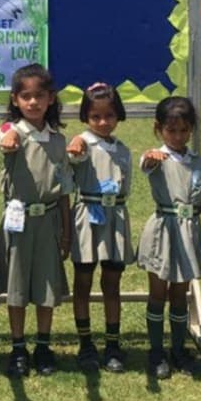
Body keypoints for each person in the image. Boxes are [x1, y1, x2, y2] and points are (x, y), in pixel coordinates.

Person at [0, 63, 73, 377]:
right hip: (19, 221)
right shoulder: (12, 132)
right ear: (15, 100)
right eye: (25, 96)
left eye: (39, 96)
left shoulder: (58, 140)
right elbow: (5, 137)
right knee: (16, 287)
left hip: (49, 221)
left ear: (50, 98)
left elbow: (64, 189)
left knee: (46, 285)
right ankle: (18, 347)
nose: (32, 102)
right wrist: (9, 136)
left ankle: (43, 345)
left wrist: (66, 231)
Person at [137, 96, 201, 378]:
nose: (178, 136)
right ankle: (156, 351)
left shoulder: (198, 162)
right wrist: (151, 157)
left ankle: (179, 349)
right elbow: (146, 163)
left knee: (180, 292)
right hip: (163, 232)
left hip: (188, 231)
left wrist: (193, 214)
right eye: (171, 130)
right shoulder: (157, 157)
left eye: (184, 130)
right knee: (158, 291)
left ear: (191, 129)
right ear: (159, 129)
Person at [66, 82, 134, 373]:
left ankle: (112, 343)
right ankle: (85, 343)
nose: (103, 122)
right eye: (95, 116)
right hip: (88, 218)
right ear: (86, 117)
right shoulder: (82, 143)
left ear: (118, 115)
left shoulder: (123, 149)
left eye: (109, 116)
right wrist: (76, 144)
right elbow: (73, 156)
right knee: (83, 280)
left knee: (112, 281)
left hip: (115, 217)